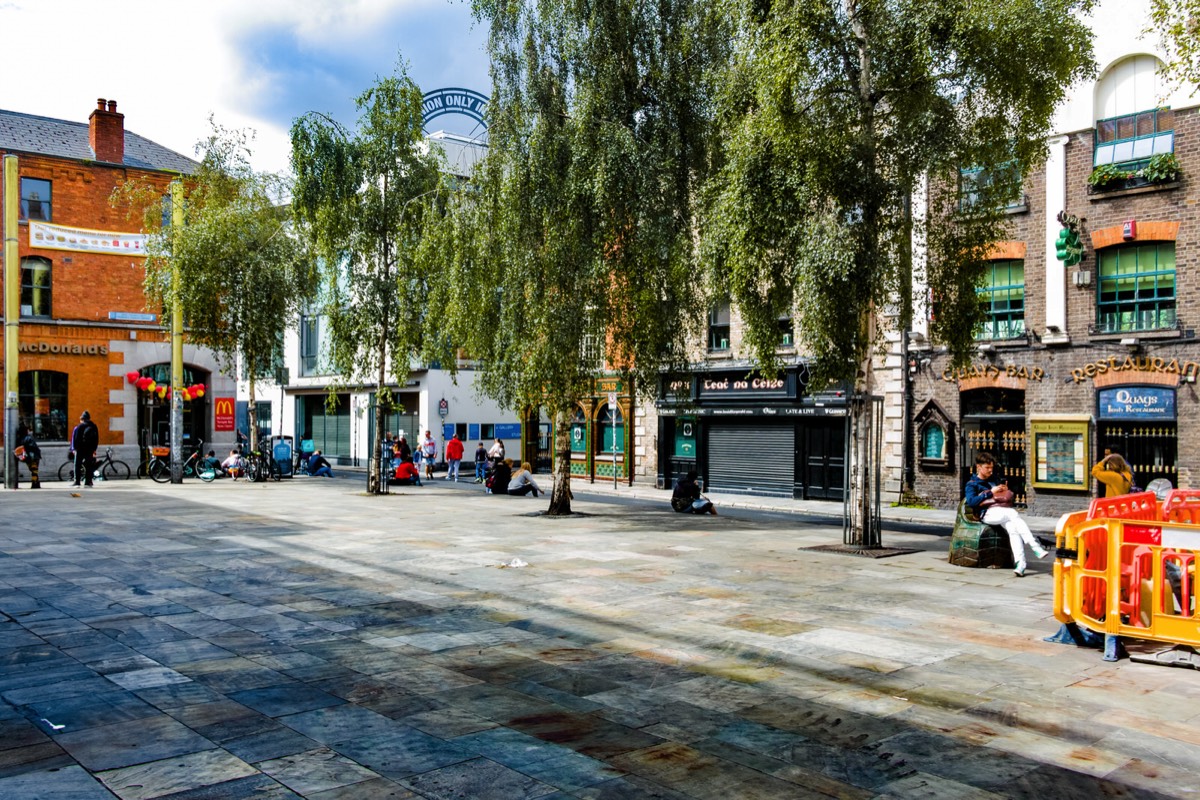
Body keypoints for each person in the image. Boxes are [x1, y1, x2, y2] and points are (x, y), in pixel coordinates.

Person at [965, 451, 1047, 577]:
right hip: (986, 514)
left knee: (1013, 528)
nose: (990, 470)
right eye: (987, 468)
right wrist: (990, 492)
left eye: (991, 468)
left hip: (1001, 511)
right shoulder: (972, 484)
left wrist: (1003, 489)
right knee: (1013, 514)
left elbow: (1001, 495)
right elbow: (971, 502)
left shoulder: (994, 479)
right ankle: (1034, 545)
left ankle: (1020, 564)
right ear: (978, 467)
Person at [70, 411, 99, 487]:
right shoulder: (94, 426)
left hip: (80, 449)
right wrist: (94, 449)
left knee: (77, 465)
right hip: (90, 449)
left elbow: (76, 439)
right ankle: (88, 482)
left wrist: (75, 449)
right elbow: (96, 439)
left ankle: (77, 482)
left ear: (82, 419)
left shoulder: (80, 426)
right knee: (89, 465)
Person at [15, 422, 41, 489]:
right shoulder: (29, 438)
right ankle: (35, 483)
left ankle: (36, 483)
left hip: (26, 457)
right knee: (34, 471)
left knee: (33, 470)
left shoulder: (19, 439)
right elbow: (34, 447)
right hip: (34, 456)